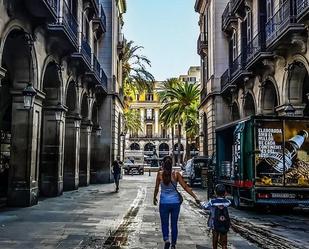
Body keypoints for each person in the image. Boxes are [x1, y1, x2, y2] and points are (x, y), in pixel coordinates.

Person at [153, 156, 200, 249]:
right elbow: (185, 187)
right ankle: (173, 244)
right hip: (175, 203)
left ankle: (166, 239)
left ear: (163, 164)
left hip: (164, 203)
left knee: (164, 223)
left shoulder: (159, 174)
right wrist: (195, 197)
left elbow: (156, 188)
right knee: (174, 224)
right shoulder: (176, 174)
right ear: (171, 164)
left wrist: (154, 198)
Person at [201, 184, 231, 249]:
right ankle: (224, 247)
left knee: (215, 236)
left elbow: (205, 207)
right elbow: (229, 203)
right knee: (224, 240)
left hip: (214, 222)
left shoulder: (212, 202)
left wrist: (201, 203)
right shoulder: (227, 202)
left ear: (215, 192)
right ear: (224, 192)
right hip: (225, 223)